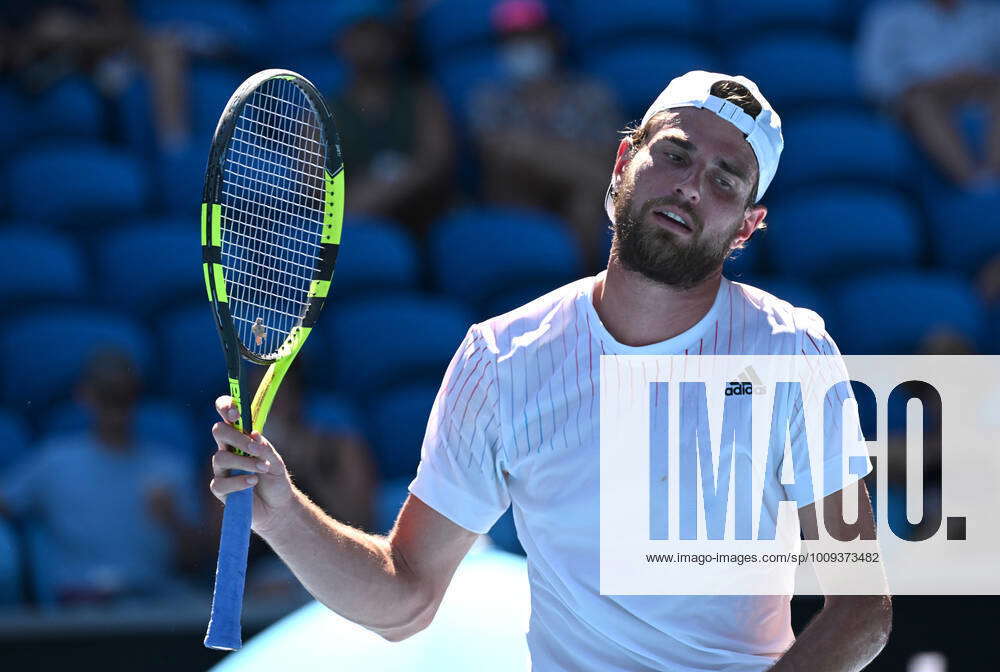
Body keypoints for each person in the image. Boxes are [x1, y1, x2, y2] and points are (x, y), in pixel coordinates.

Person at [208, 71, 892, 669]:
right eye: (675, 154)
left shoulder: (792, 351)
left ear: (746, 226)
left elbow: (862, 611)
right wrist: (284, 515)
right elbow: (405, 596)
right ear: (624, 161)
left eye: (724, 180)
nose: (689, 186)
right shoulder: (503, 359)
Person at [0, 349, 205, 604]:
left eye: (123, 395)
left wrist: (172, 519)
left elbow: (197, 561)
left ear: (137, 395)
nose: (116, 403)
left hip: (156, 605)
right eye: (106, 393)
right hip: (78, 611)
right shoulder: (53, 462)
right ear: (84, 395)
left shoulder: (169, 468)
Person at [469, 0, 621, 266]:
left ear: (553, 38)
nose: (523, 46)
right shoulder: (490, 99)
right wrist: (556, 156)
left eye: (532, 35)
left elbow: (609, 154)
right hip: (519, 197)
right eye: (513, 39)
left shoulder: (589, 94)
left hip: (583, 197)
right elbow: (499, 152)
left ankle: (577, 279)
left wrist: (532, 149)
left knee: (586, 201)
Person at [330, 0, 455, 236]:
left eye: (377, 32)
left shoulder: (421, 98)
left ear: (393, 41)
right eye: (360, 32)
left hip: (421, 219)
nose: (369, 43)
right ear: (342, 42)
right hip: (354, 231)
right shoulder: (322, 111)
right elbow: (315, 186)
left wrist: (381, 192)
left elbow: (434, 161)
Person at [857, 0, 1000, 189]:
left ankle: (993, 175)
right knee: (921, 102)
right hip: (922, 93)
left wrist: (978, 75)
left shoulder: (991, 13)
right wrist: (932, 82)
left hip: (979, 89)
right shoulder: (889, 16)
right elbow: (875, 80)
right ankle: (972, 182)